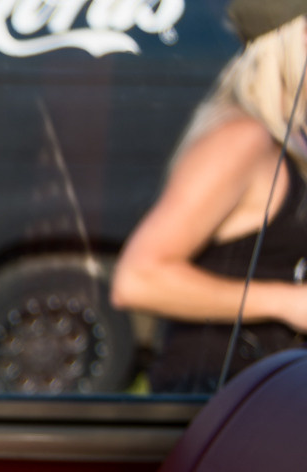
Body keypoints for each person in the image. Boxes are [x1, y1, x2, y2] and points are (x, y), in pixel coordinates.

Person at [113, 0, 307, 391]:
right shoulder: (241, 140)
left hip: (263, 400)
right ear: (291, 41)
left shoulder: (288, 138)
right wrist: (285, 302)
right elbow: (137, 278)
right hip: (215, 402)